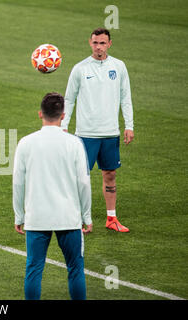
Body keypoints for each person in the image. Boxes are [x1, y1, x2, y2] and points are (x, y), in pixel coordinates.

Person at [13, 92, 92, 300]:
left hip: (37, 218)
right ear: (63, 115)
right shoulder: (74, 143)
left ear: (40, 114)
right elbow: (84, 182)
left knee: (34, 270)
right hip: (68, 217)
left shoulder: (25, 143)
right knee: (75, 268)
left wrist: (19, 216)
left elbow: (18, 183)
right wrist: (87, 216)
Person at [62, 27, 134, 233]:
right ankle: (76, 219)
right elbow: (69, 99)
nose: (98, 47)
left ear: (109, 44)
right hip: (86, 134)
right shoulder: (80, 69)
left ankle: (111, 218)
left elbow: (125, 98)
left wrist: (129, 125)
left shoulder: (119, 67)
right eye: (95, 42)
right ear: (89, 43)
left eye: (102, 43)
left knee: (110, 175)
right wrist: (64, 126)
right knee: (80, 178)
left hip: (111, 133)